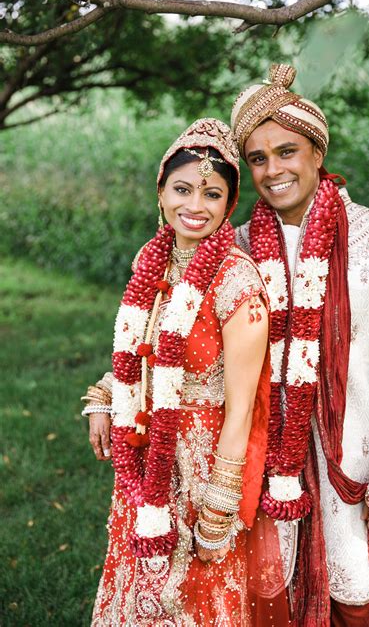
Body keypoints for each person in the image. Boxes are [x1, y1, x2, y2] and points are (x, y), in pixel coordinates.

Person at [231, 64, 369, 627]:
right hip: (265, 464)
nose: (273, 170)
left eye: (287, 151)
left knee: (359, 607)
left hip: (355, 461)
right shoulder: (239, 246)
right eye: (257, 158)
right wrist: (109, 392)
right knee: (268, 604)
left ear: (318, 153)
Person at [82, 118, 288, 625]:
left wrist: (219, 509)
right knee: (138, 595)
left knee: (194, 600)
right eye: (182, 189)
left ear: (228, 203)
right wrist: (106, 398)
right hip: (148, 452)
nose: (194, 206)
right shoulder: (151, 260)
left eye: (211, 194)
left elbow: (241, 410)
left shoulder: (237, 281)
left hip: (202, 466)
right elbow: (140, 353)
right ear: (161, 191)